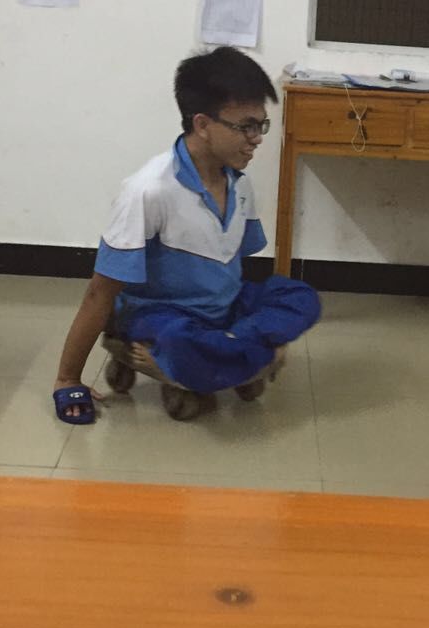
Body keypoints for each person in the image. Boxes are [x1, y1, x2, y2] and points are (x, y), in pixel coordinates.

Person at [53, 48, 321, 424]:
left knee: (301, 297)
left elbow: (230, 264)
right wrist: (68, 378)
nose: (256, 138)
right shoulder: (148, 191)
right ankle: (247, 353)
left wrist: (232, 319)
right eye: (245, 126)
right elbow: (100, 292)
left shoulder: (240, 184)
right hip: (163, 316)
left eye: (261, 125)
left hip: (223, 308)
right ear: (202, 124)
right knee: (182, 340)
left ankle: (227, 349)